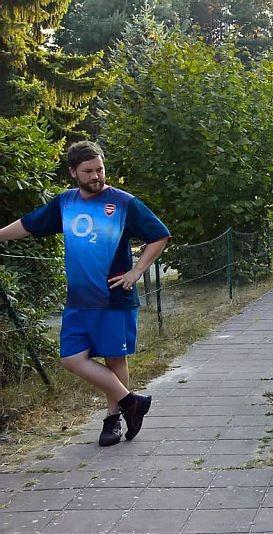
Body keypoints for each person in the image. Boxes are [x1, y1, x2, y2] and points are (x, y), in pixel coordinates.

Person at [0, 141, 170, 446]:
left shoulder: (123, 203)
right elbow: (28, 224)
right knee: (71, 358)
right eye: (88, 171)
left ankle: (113, 420)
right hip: (78, 301)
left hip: (114, 297)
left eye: (100, 169)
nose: (96, 176)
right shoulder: (65, 203)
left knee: (115, 359)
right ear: (73, 172)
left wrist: (136, 271)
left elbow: (159, 235)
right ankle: (131, 402)